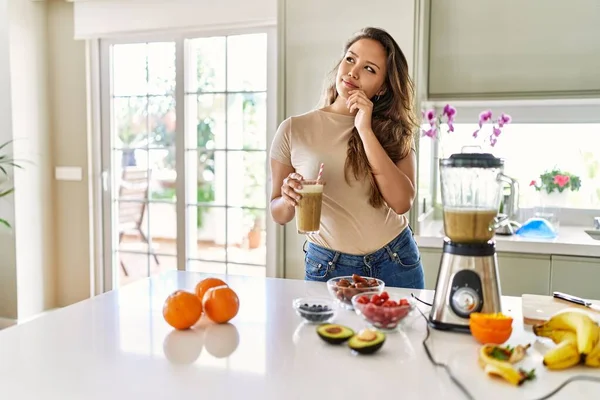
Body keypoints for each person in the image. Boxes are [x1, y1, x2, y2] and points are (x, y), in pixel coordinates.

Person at [269, 27, 425, 289]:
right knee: (332, 331)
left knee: (402, 332)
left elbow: (401, 202)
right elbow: (278, 214)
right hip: (328, 265)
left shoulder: (394, 132)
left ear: (383, 87)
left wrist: (364, 129)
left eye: (369, 69)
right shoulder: (294, 129)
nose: (353, 72)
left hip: (396, 260)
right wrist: (287, 199)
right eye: (350, 59)